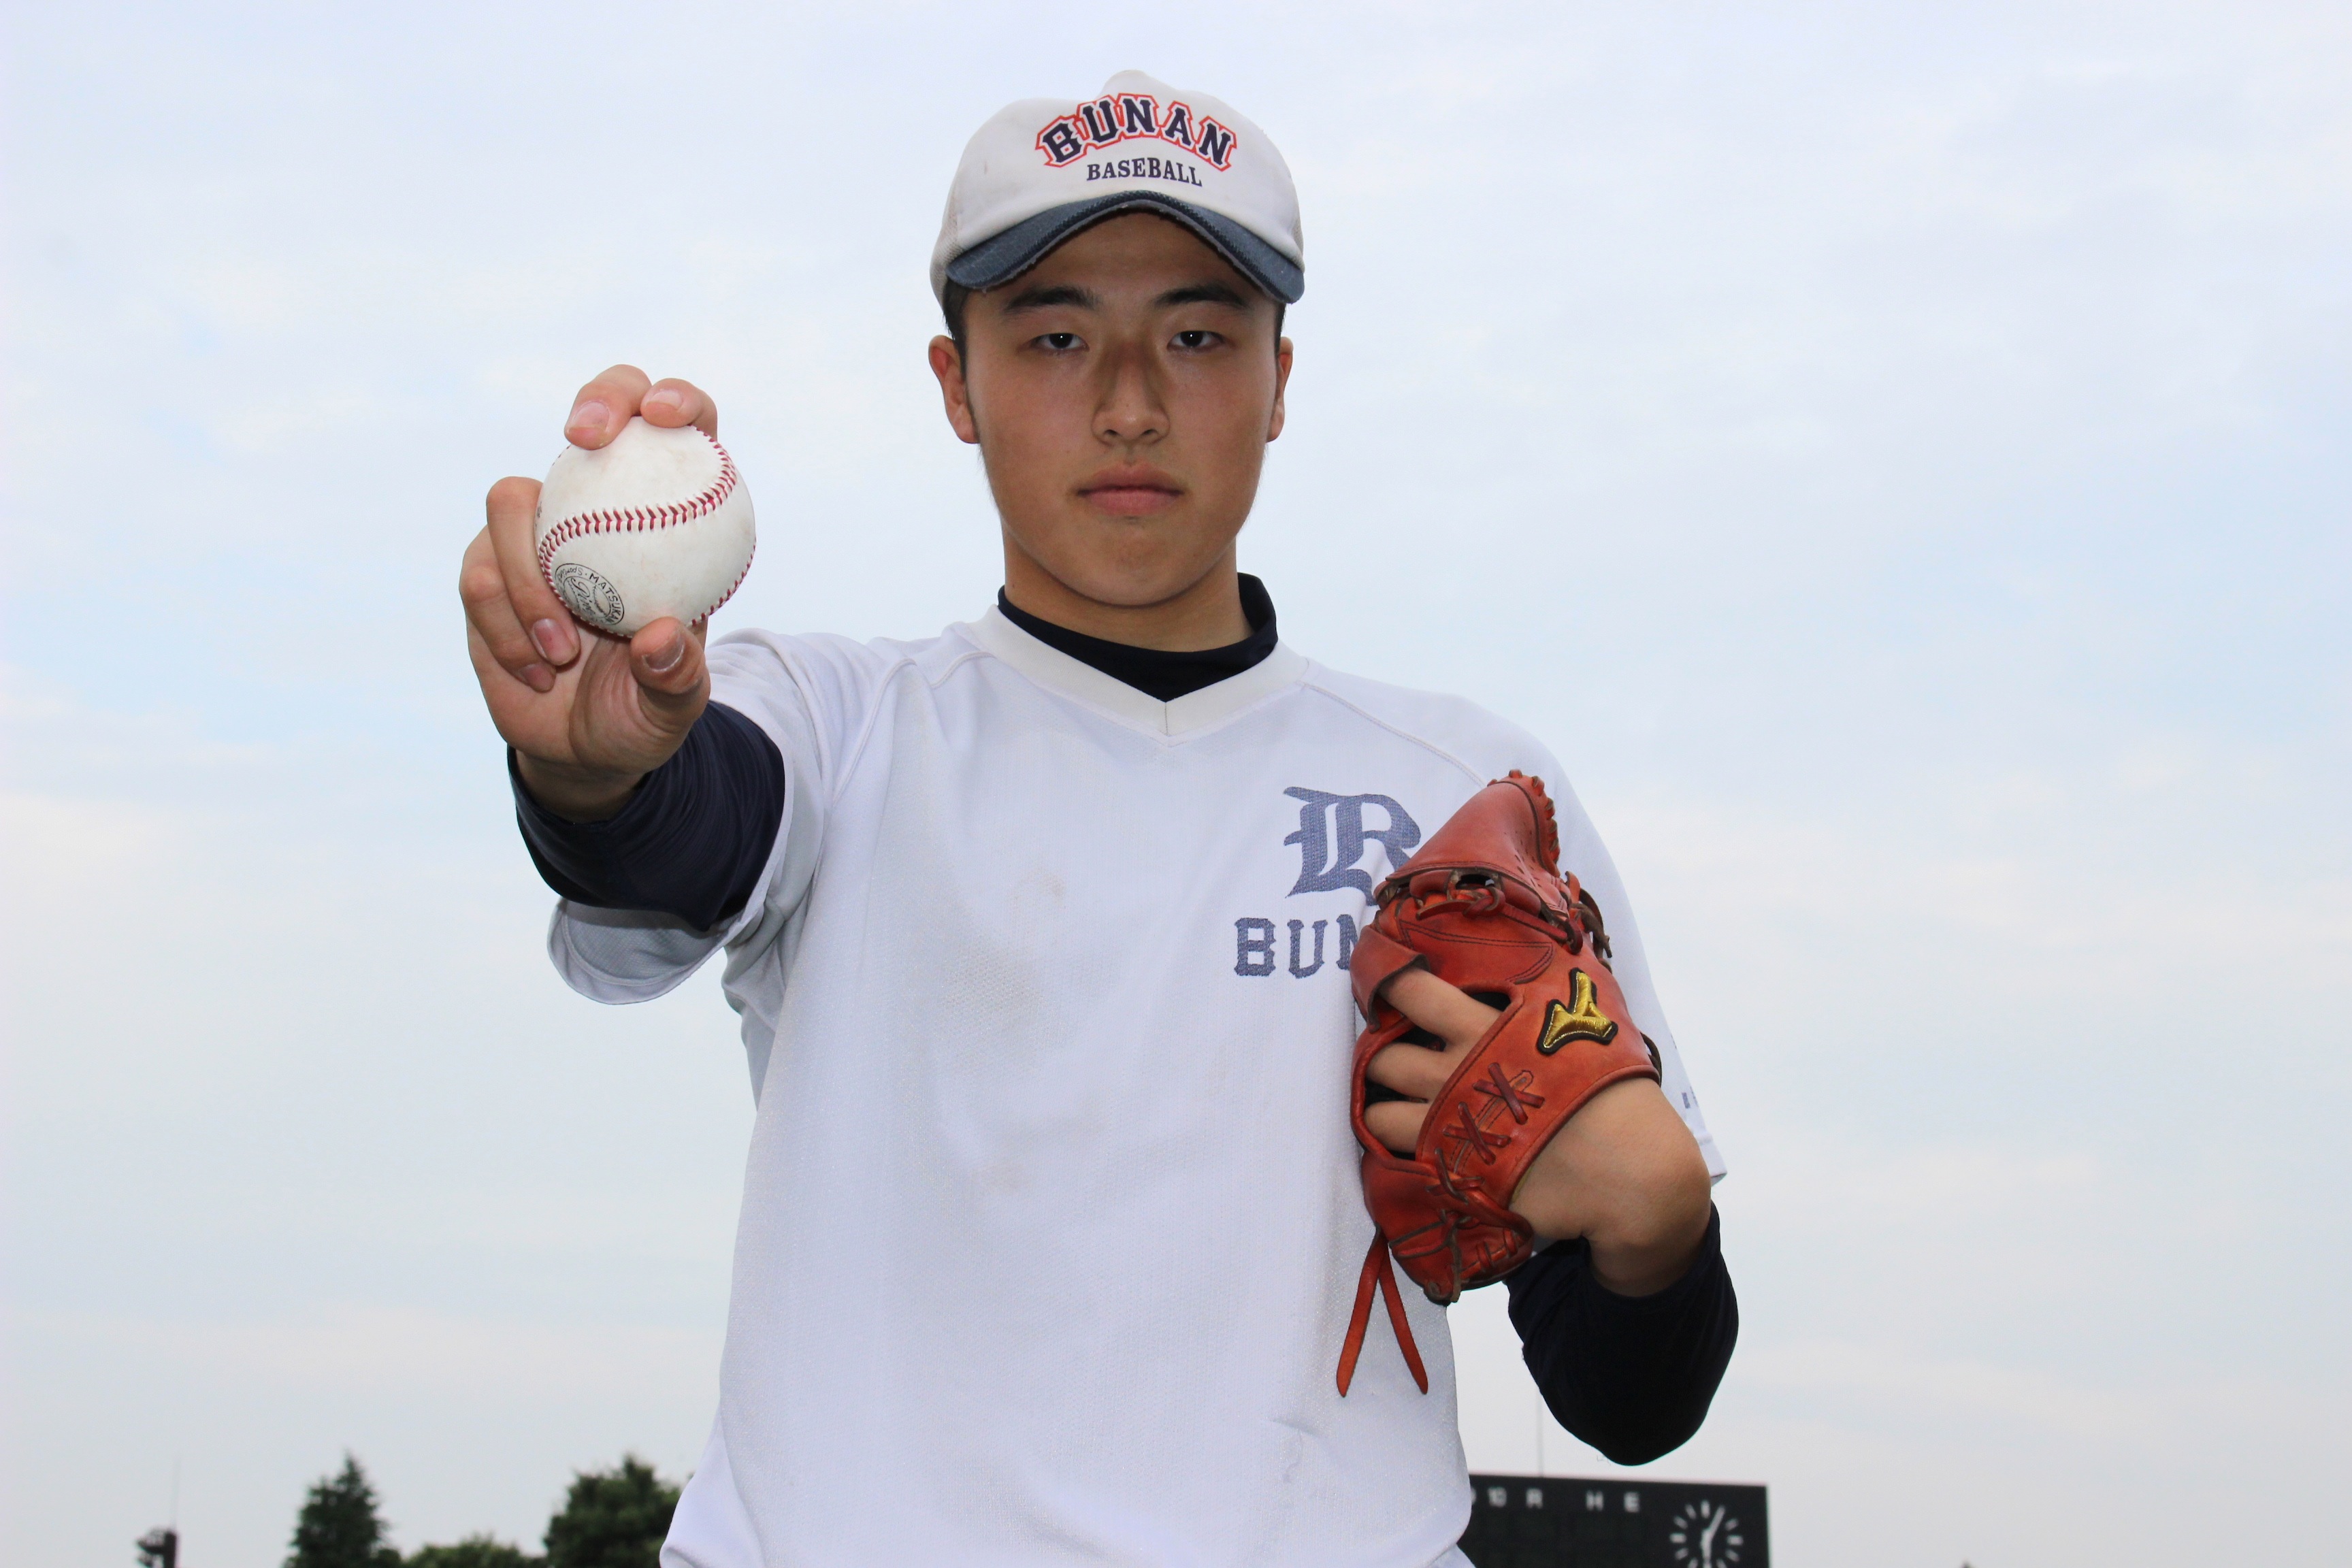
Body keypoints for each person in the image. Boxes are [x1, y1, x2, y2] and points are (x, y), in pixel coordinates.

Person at [459, 70, 1737, 1568]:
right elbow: (680, 820)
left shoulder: (1452, 789)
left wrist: (1655, 1232)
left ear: (1279, 378)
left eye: (1198, 335)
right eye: (1057, 335)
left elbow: (1629, 1402)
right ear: (957, 382)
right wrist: (592, 767)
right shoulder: (840, 727)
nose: (1130, 401)